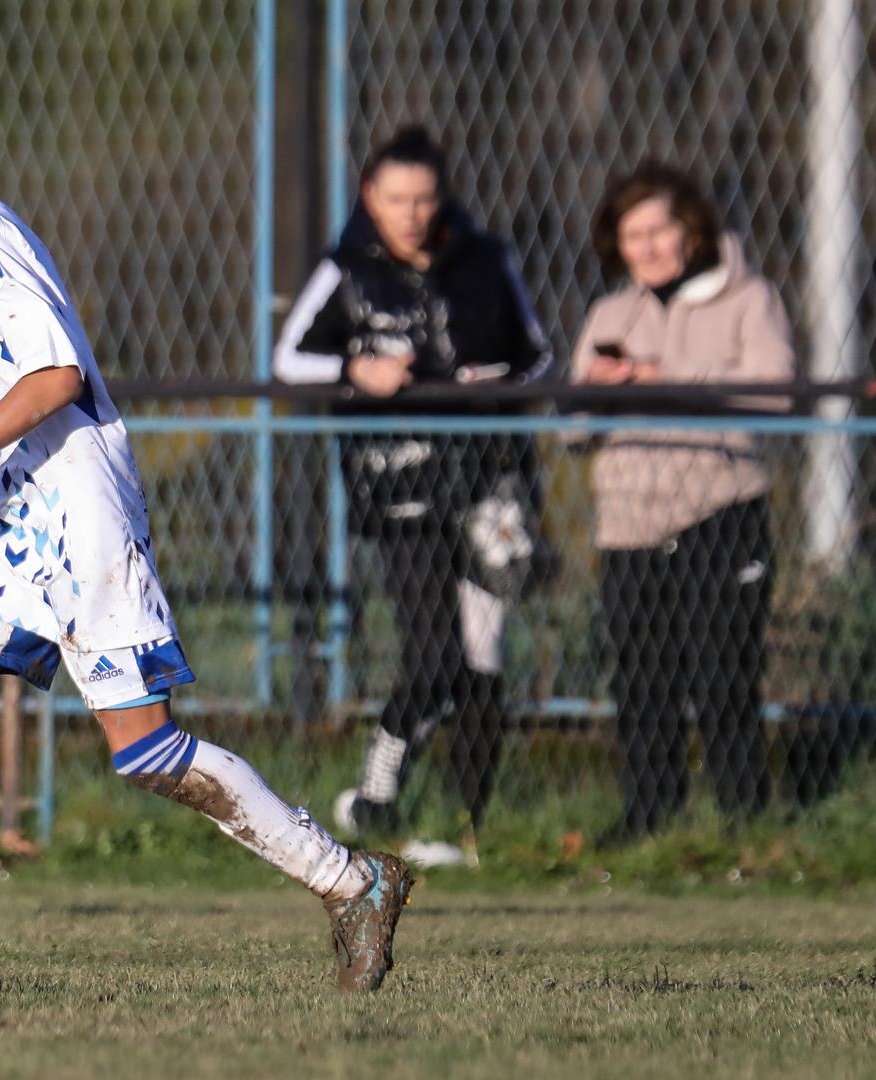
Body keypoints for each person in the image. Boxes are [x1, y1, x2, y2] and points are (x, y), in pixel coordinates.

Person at [0, 60, 411, 996]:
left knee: (145, 752)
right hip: (12, 508)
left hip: (76, 506)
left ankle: (354, 881)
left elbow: (54, 381)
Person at [274, 127, 554, 866]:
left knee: (485, 657)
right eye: (396, 198)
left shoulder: (486, 261)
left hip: (488, 482)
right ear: (371, 195)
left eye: (425, 197)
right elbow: (289, 358)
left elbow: (538, 356)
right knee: (434, 659)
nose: (411, 213)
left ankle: (467, 826)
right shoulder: (347, 269)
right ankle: (377, 792)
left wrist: (494, 383)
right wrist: (357, 366)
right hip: (400, 490)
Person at [570, 162, 794, 840]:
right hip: (630, 524)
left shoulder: (749, 298)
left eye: (660, 229)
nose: (649, 246)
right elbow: (572, 430)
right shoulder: (612, 312)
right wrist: (603, 391)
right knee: (641, 683)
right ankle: (649, 818)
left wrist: (664, 377)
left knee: (724, 677)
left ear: (691, 230)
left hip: (720, 512)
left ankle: (742, 821)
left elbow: (776, 391)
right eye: (633, 235)